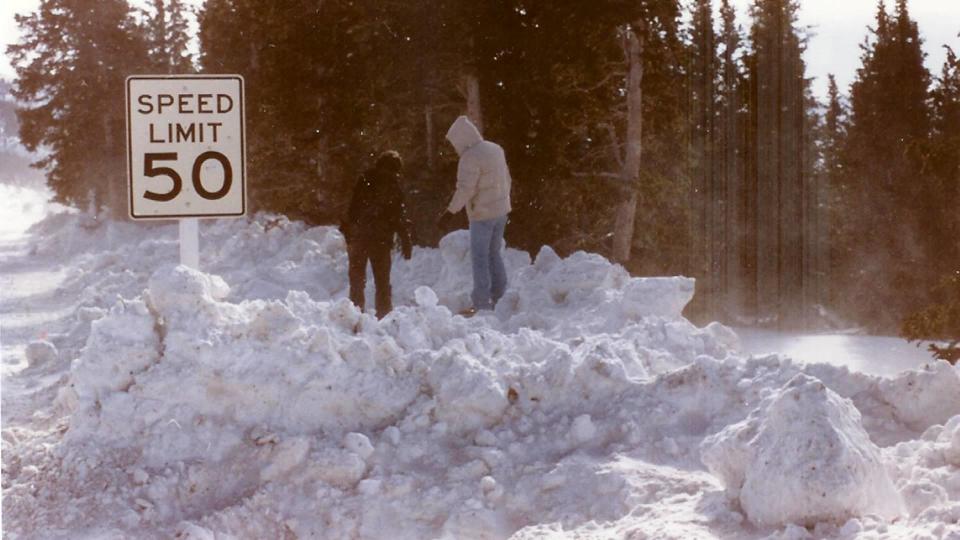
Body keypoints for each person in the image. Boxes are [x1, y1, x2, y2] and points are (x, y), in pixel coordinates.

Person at [438, 116, 512, 313]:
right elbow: (507, 178)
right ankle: (500, 297)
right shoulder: (495, 148)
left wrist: (449, 212)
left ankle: (481, 302)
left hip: (482, 214)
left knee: (479, 257)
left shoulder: (470, 157)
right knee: (494, 254)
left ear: (461, 139)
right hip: (501, 210)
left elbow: (465, 189)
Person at [342, 150, 413, 318]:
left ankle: (354, 317)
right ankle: (384, 317)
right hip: (380, 239)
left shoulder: (365, 179)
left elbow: (353, 208)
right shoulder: (394, 184)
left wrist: (349, 233)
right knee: (382, 282)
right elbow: (398, 216)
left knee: (357, 281)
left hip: (359, 236)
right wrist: (405, 239)